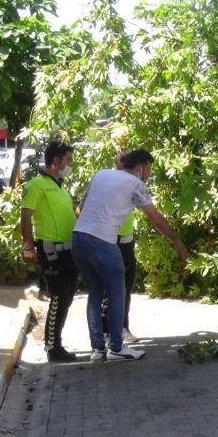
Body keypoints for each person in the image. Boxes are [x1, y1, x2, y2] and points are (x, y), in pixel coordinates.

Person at [72, 148, 189, 362]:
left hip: (79, 239)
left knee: (95, 294)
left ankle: (97, 349)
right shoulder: (136, 184)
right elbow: (156, 219)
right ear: (140, 167)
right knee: (118, 293)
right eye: (149, 170)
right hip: (103, 243)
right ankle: (116, 347)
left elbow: (80, 209)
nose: (149, 174)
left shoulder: (100, 174)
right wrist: (178, 243)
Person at [20, 141, 79, 362]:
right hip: (51, 250)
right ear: (56, 160)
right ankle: (52, 348)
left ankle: (56, 342)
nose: (70, 165)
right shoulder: (37, 184)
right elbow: (26, 215)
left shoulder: (61, 186)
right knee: (58, 297)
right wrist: (28, 246)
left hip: (68, 250)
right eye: (68, 160)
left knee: (67, 297)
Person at [102, 152, 139, 344]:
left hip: (127, 241)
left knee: (126, 288)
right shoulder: (108, 184)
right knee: (110, 290)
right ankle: (106, 331)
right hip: (111, 240)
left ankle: (123, 327)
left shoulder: (131, 185)